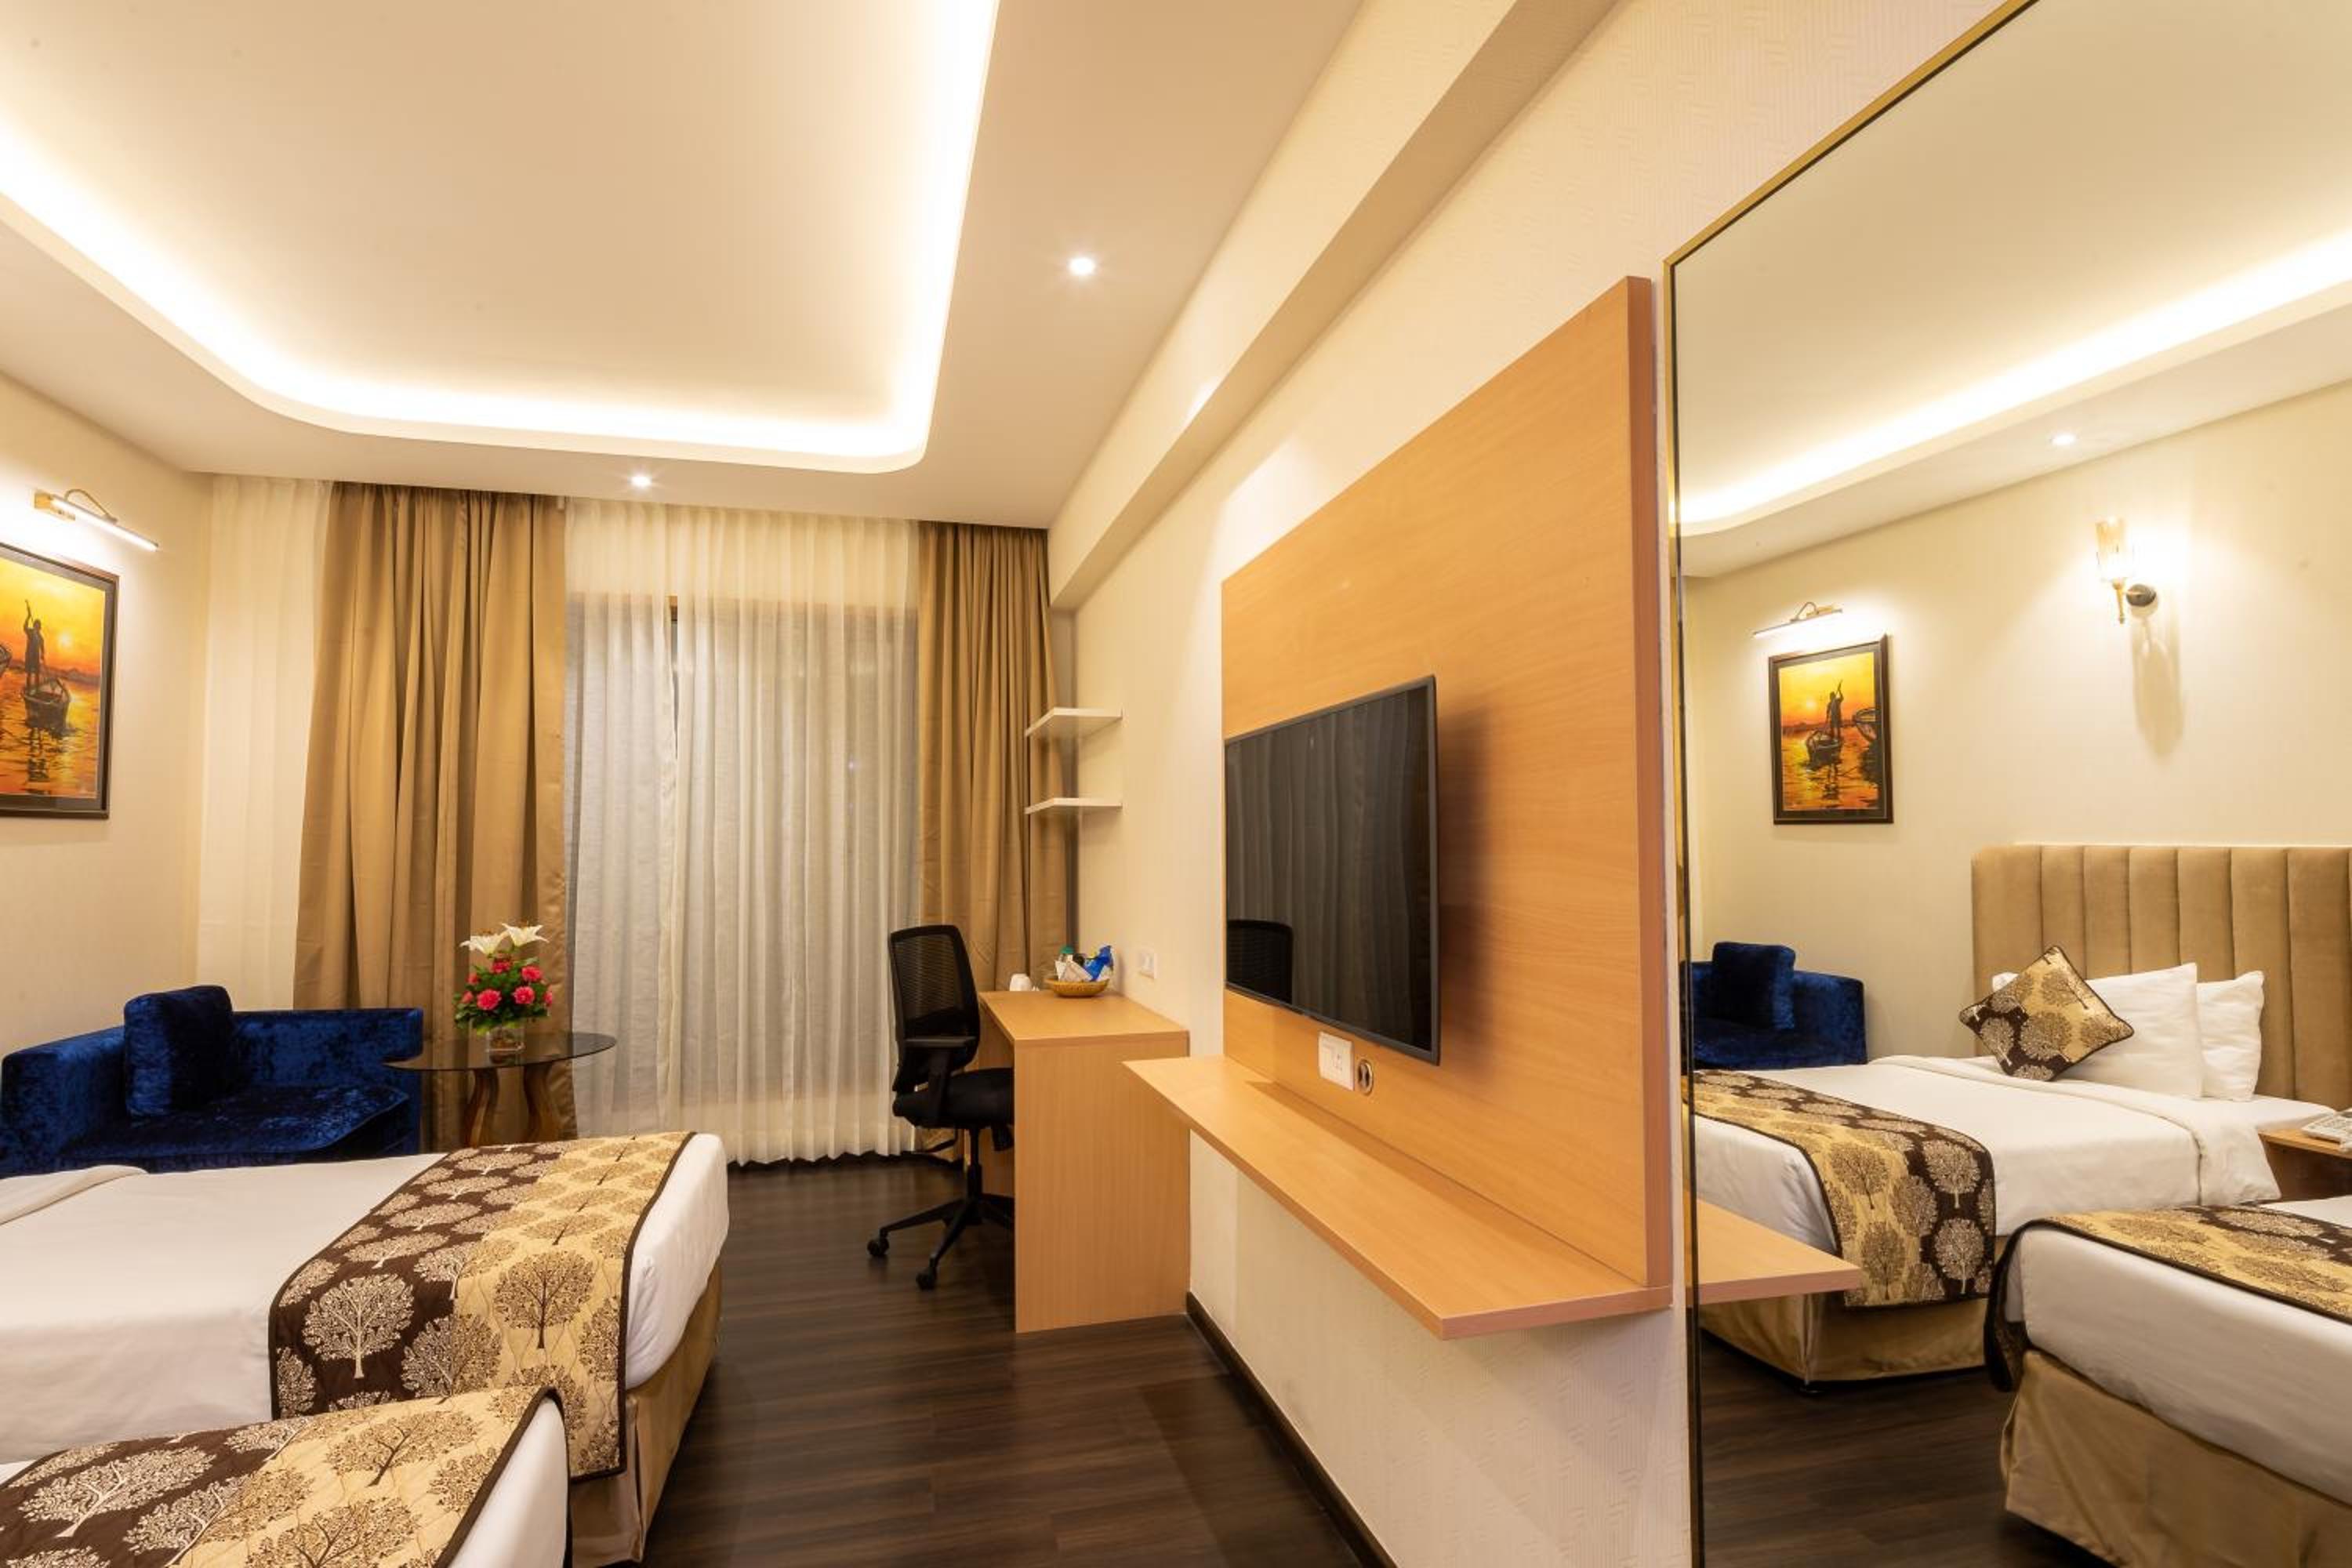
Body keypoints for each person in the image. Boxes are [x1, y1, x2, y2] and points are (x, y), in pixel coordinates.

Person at [21, 601, 43, 687]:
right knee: (29, 673)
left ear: (39, 627)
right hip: (30, 655)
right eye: (36, 625)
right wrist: (28, 617)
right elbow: (24, 627)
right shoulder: (30, 632)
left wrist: (42, 654)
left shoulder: (40, 637)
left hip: (36, 656)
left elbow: (42, 646)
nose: (37, 627)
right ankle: (28, 687)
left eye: (38, 625)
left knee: (37, 673)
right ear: (34, 625)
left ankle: (37, 688)